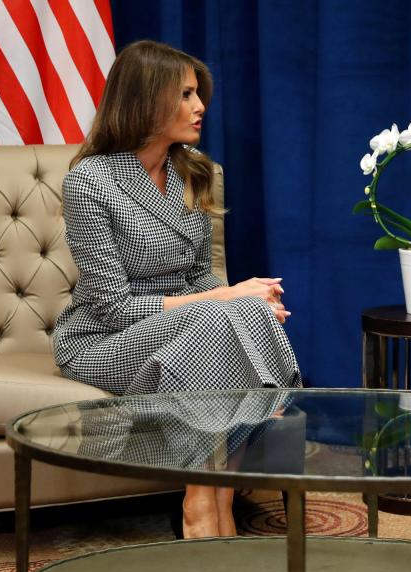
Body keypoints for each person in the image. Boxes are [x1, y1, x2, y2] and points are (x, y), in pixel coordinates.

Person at [53, 40, 301, 539]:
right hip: (105, 339)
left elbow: (199, 279)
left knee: (236, 313)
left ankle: (212, 501)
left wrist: (244, 300)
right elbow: (114, 309)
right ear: (146, 100)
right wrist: (228, 299)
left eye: (197, 94)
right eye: (186, 94)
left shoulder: (193, 169)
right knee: (228, 311)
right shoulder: (89, 180)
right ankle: (203, 503)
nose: (200, 106)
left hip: (185, 331)